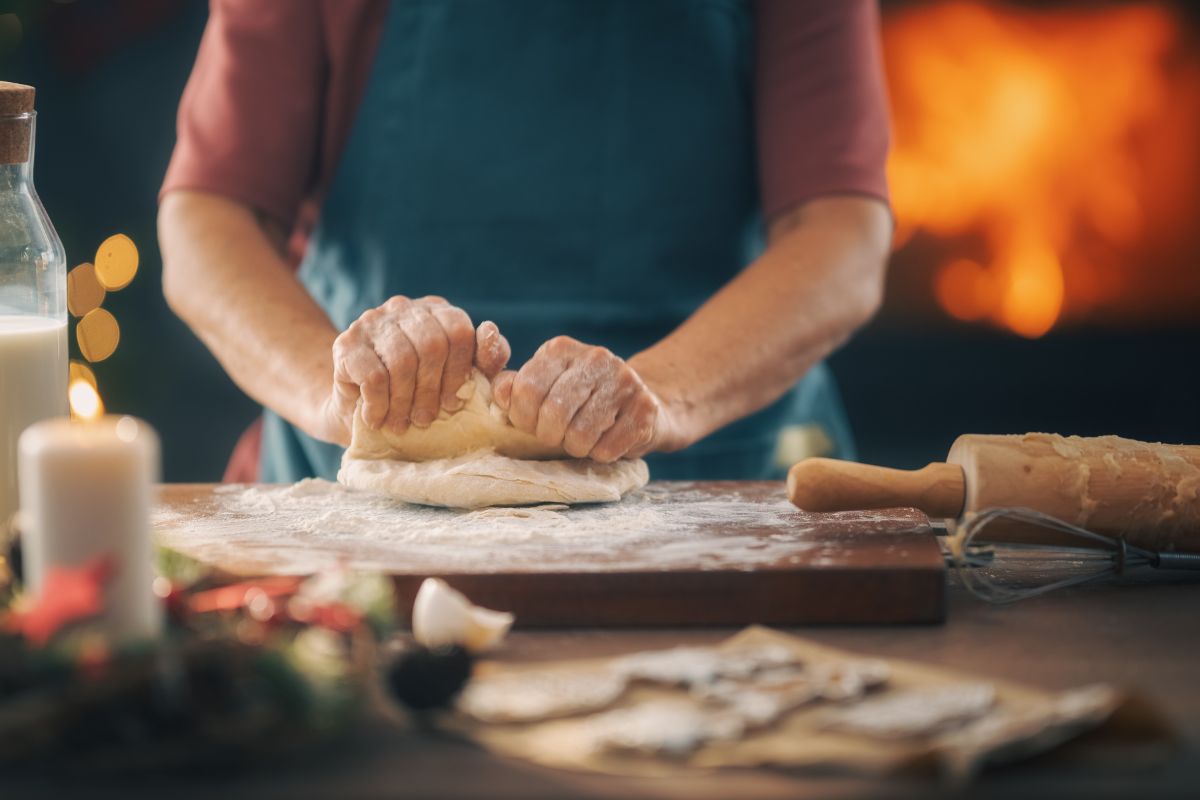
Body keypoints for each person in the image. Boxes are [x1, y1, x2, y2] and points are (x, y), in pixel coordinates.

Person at [158, 0, 892, 483]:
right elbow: (210, 219)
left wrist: (664, 397)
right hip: (358, 496)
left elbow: (840, 235)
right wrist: (335, 391)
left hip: (717, 479)